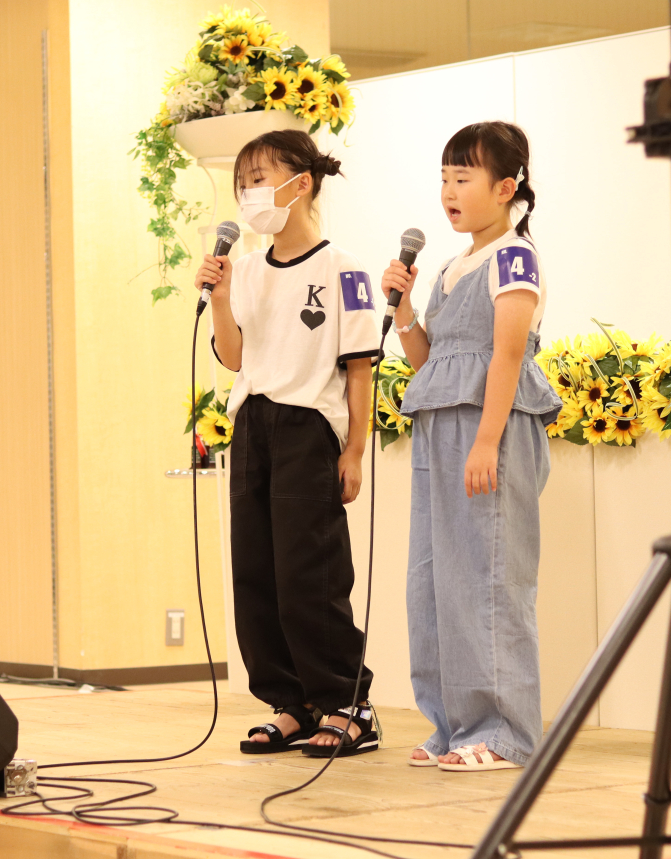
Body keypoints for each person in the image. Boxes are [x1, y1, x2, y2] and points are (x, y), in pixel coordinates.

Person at [380, 121, 561, 771]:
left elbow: (506, 353)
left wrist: (487, 440)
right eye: (444, 179)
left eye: (463, 178)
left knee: (488, 576)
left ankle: (504, 732)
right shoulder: (451, 267)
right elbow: (430, 361)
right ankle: (453, 724)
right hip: (440, 429)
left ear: (506, 188)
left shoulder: (515, 257)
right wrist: (403, 309)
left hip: (492, 430)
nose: (449, 192)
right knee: (434, 579)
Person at [198, 129, 381, 757]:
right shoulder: (245, 270)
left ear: (301, 184)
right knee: (256, 574)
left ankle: (348, 703)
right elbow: (233, 358)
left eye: (259, 179)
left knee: (309, 573)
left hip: (309, 428)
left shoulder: (344, 269)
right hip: (253, 425)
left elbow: (360, 367)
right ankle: (291, 702)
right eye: (242, 184)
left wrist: (354, 451)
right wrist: (221, 298)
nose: (248, 194)